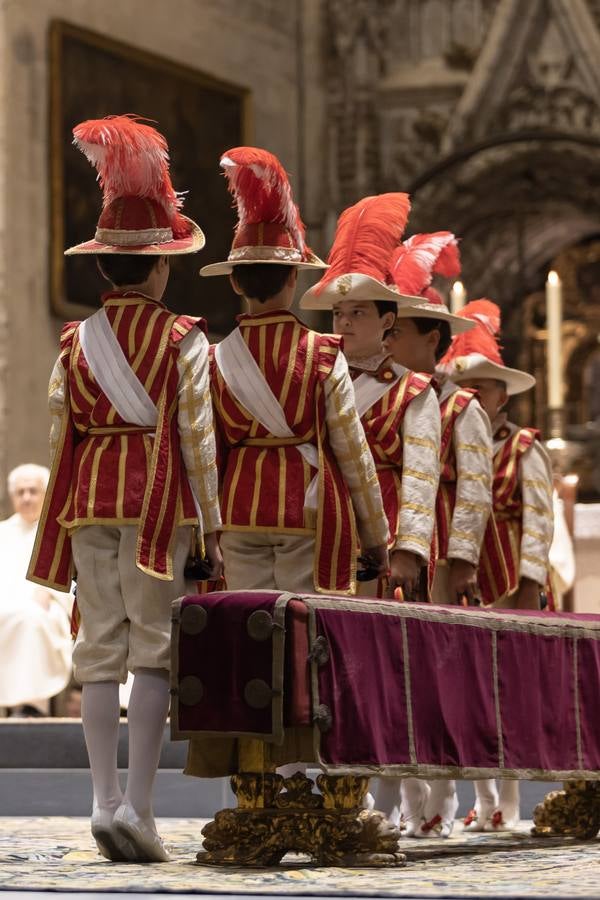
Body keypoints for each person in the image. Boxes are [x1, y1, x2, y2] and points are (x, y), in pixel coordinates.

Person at [27, 115, 222, 862]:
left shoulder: (75, 342)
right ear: (162, 268)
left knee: (96, 650)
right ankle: (140, 808)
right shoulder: (184, 339)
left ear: (105, 270)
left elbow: (60, 430)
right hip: (157, 507)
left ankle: (102, 798)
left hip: (86, 505)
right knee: (152, 652)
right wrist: (205, 527)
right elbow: (197, 440)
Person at [200, 148, 390, 597]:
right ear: (294, 279)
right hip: (307, 508)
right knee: (302, 624)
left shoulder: (212, 358)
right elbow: (352, 449)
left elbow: (205, 450)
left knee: (247, 623)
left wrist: (206, 529)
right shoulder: (323, 352)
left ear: (233, 280)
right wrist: (375, 534)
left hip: (237, 509)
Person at [376, 234, 492, 838]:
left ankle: (441, 800)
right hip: (393, 542)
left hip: (441, 554)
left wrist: (463, 561)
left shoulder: (460, 406)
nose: (390, 338)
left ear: (432, 340)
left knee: (435, 676)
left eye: (404, 330)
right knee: (394, 673)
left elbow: (475, 490)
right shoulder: (385, 394)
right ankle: (399, 800)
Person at [439, 298, 554, 832]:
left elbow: (539, 518)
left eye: (480, 390)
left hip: (511, 581)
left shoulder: (524, 447)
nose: (470, 399)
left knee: (506, 696)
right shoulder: (454, 437)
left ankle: (506, 800)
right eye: (465, 390)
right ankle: (481, 798)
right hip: (467, 575)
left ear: (502, 395)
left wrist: (531, 581)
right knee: (470, 695)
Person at [300, 195, 441, 601]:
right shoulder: (316, 377)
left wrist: (409, 551)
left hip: (385, 533)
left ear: (387, 321)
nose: (344, 322)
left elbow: (420, 475)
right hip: (320, 528)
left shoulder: (412, 390)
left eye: (358, 313)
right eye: (338, 313)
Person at [0, 464, 72, 717]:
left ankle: (31, 705)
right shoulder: (2, 533)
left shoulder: (57, 531)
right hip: (5, 606)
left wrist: (51, 592)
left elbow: (72, 578)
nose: (26, 497)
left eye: (33, 491)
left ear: (45, 494)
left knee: (31, 619)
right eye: (20, 492)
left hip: (43, 606)